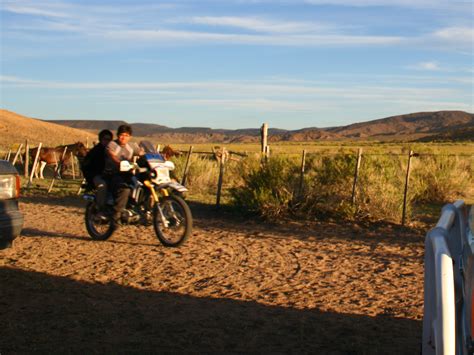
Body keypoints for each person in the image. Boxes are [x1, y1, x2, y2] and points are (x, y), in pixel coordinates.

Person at [104, 124, 143, 225]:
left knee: (143, 184)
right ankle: (116, 215)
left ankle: (139, 210)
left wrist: (156, 157)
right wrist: (120, 163)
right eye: (121, 135)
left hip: (127, 174)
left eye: (126, 135)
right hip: (112, 174)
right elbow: (112, 155)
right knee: (125, 189)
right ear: (117, 135)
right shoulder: (112, 144)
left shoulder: (132, 146)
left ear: (129, 136)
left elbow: (142, 153)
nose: (123, 137)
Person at [81, 129, 113, 213]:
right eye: (105, 139)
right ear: (100, 139)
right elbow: (86, 166)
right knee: (103, 186)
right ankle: (100, 209)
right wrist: (92, 177)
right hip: (96, 175)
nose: (107, 141)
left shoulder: (112, 151)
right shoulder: (95, 151)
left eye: (109, 139)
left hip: (110, 175)